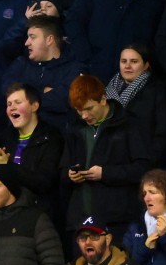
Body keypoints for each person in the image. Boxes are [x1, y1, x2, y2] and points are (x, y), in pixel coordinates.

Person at [62, 75, 151, 241]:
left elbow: (142, 169)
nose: (84, 116)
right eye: (79, 110)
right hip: (80, 222)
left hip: (116, 221)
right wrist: (70, 175)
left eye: (89, 108)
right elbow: (61, 169)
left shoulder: (129, 125)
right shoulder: (75, 130)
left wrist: (105, 173)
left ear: (103, 99)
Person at [0, 83, 64, 211]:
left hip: (37, 214)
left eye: (18, 102)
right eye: (9, 104)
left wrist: (7, 165)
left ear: (34, 106)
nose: (12, 108)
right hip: (7, 214)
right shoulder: (5, 137)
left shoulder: (51, 137)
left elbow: (44, 183)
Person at [1, 16, 87, 133]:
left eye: (32, 37)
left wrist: (26, 97)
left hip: (58, 142)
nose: (27, 43)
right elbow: (8, 90)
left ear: (49, 40)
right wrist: (43, 91)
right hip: (19, 140)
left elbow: (65, 100)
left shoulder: (74, 69)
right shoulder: (20, 65)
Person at [107, 44, 166, 166]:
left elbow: (162, 131)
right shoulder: (108, 89)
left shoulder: (158, 91)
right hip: (113, 161)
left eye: (134, 61)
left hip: (144, 161)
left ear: (146, 65)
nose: (127, 66)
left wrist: (151, 160)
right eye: (124, 61)